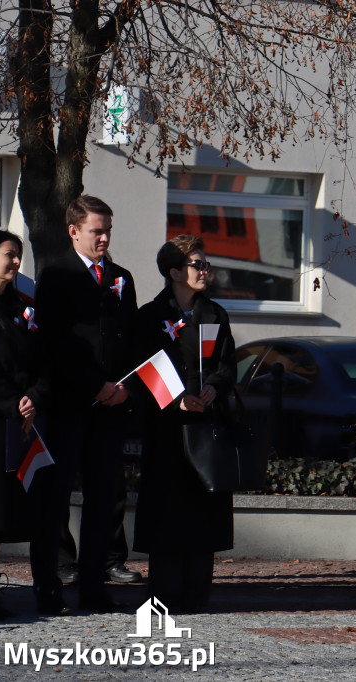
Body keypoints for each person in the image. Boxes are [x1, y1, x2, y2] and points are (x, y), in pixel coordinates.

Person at [31, 195, 138, 615]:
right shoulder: (56, 275)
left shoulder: (121, 277)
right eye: (97, 230)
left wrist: (126, 386)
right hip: (70, 405)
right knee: (55, 501)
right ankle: (48, 588)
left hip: (111, 408)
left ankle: (94, 588)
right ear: (74, 231)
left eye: (108, 230)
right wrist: (95, 384)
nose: (104, 238)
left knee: (103, 501)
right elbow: (55, 341)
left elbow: (129, 337)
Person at [133, 235, 236, 613]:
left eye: (206, 264)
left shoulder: (214, 314)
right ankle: (164, 593)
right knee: (167, 509)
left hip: (206, 425)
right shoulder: (150, 315)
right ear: (175, 272)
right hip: (167, 428)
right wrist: (176, 399)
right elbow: (142, 367)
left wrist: (214, 387)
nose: (205, 271)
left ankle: (196, 594)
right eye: (197, 264)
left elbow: (227, 363)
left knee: (203, 509)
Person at [0, 230, 48, 618]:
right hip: (0, 414)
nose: (16, 262)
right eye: (9, 254)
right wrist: (12, 403)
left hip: (15, 423)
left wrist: (34, 397)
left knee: (1, 512)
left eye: (18, 255)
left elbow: (41, 360)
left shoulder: (21, 306)